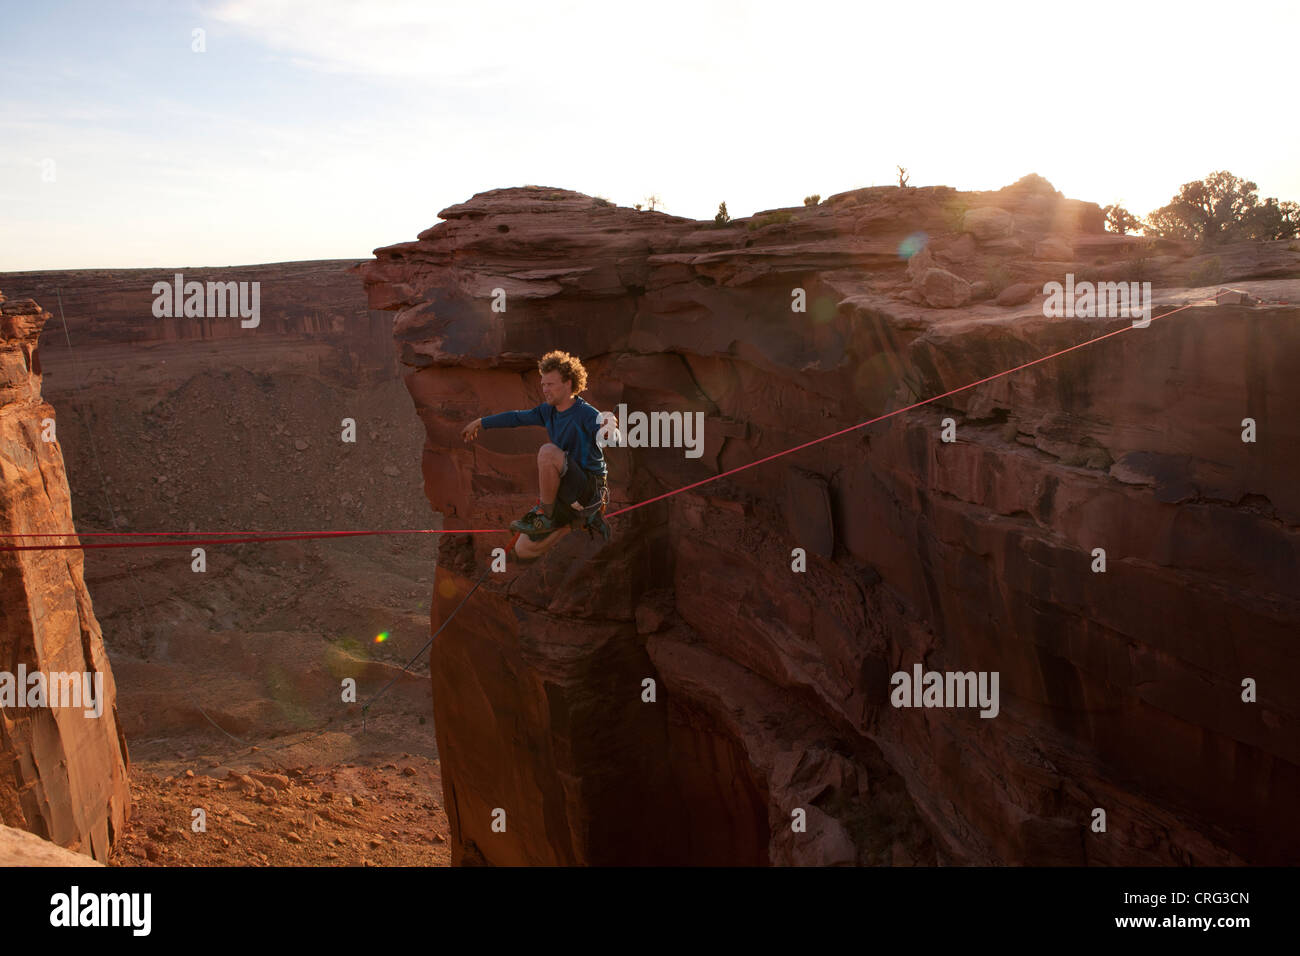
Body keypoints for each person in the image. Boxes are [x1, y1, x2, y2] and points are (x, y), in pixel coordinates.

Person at [461, 350, 616, 552]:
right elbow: (516, 418)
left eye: (550, 384)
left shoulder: (587, 414)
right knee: (523, 548)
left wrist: (610, 428)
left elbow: (611, 439)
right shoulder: (547, 411)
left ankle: (547, 515)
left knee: (547, 452)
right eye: (543, 384)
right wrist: (482, 422)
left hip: (589, 487)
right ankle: (574, 523)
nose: (544, 389)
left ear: (568, 383)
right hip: (568, 485)